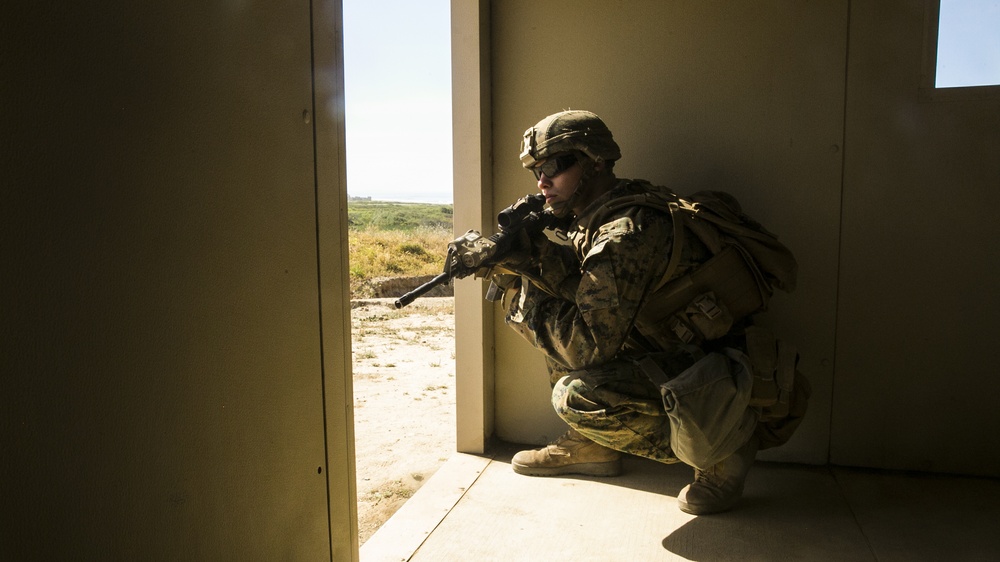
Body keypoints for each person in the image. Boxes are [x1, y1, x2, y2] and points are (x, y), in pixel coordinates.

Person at [490, 109, 809, 515]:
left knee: (574, 395)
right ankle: (591, 447)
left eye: (554, 165)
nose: (542, 181)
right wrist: (521, 258)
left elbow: (584, 348)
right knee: (546, 294)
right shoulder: (604, 211)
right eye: (537, 169)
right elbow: (584, 288)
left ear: (595, 162)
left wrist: (528, 296)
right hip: (664, 349)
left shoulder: (624, 232)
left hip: (705, 373)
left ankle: (725, 448)